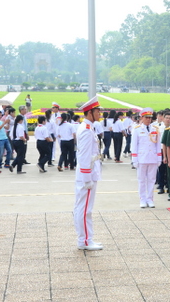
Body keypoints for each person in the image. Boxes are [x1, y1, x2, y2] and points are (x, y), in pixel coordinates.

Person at [74, 96, 103, 250]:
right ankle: (85, 241)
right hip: (87, 174)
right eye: (98, 110)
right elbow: (84, 156)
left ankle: (87, 239)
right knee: (85, 209)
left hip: (89, 172)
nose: (100, 113)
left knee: (85, 209)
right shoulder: (86, 130)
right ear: (90, 112)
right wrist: (87, 178)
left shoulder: (88, 127)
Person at [131, 107, 162, 208]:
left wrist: (159, 158)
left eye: (150, 117)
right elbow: (134, 145)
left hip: (152, 157)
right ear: (142, 118)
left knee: (152, 180)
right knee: (141, 180)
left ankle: (150, 199)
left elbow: (157, 145)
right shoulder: (137, 129)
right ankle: (142, 199)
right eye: (146, 117)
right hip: (142, 158)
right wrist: (134, 159)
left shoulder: (155, 129)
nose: (149, 119)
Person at [157, 110, 170, 194]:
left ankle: (169, 186)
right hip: (161, 150)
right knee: (161, 169)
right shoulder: (159, 128)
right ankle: (161, 186)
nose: (168, 120)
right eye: (166, 118)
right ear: (163, 119)